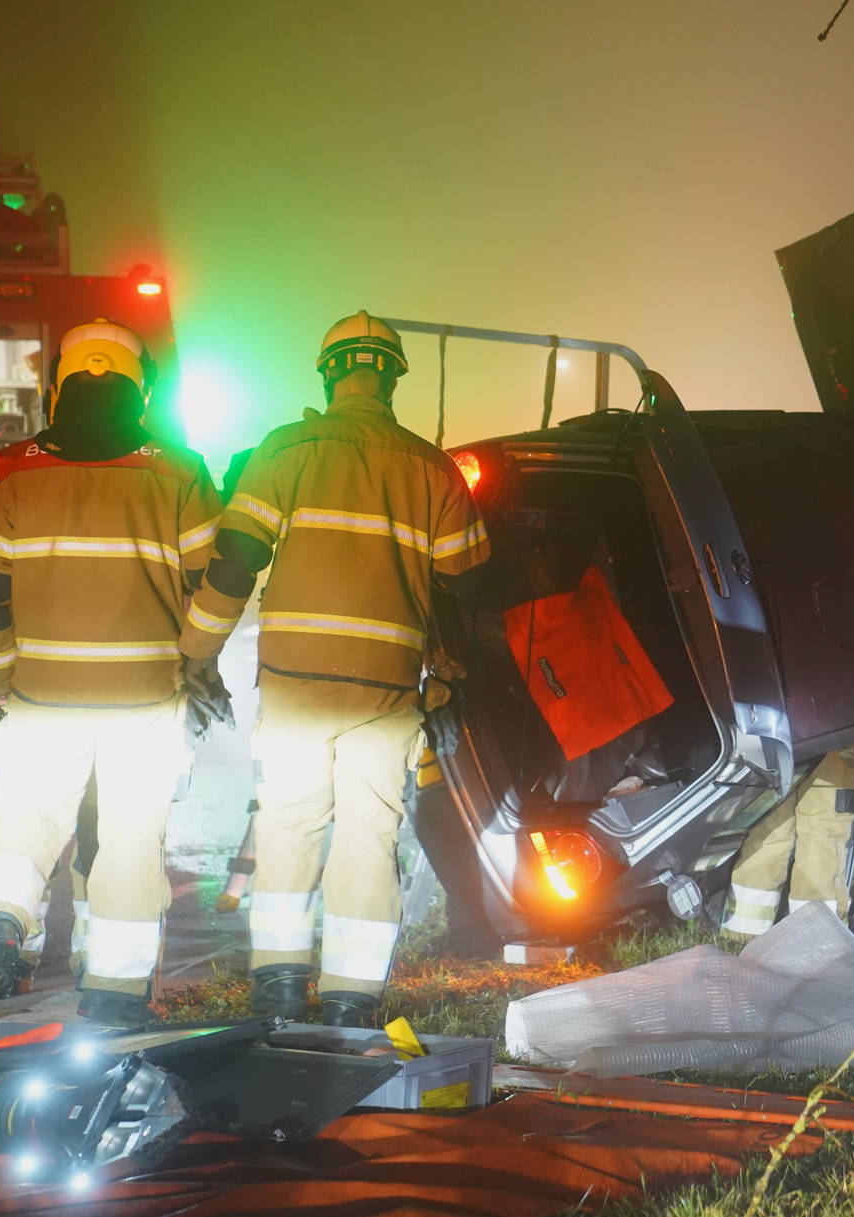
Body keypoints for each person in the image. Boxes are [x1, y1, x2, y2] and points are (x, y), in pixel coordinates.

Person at [178, 311, 489, 1027]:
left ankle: (279, 986)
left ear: (328, 372)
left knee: (288, 828)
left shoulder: (285, 450)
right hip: (385, 692)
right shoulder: (430, 466)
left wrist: (196, 650)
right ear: (394, 377)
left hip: (295, 685)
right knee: (369, 836)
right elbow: (468, 578)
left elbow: (235, 562)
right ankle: (352, 997)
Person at [0, 319, 223, 1026]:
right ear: (139, 387)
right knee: (128, 837)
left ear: (58, 385)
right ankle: (116, 995)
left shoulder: (8, 470)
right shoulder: (179, 469)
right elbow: (211, 578)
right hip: (145, 698)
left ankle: (1, 925)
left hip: (38, 694)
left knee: (24, 821)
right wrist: (197, 660)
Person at [722, 744, 854, 937]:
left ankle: (741, 933)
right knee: (823, 837)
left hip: (779, 734)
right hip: (836, 732)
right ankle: (817, 940)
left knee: (769, 831)